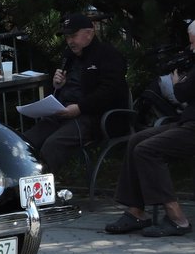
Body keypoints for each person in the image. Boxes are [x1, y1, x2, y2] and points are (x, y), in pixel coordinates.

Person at [105, 21, 195, 237]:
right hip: (187, 123)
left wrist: (177, 82)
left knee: (147, 149)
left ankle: (177, 217)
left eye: (193, 44)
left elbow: (183, 92)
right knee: (137, 140)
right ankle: (136, 211)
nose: (191, 49)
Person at [22, 13, 129, 173]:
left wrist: (80, 107)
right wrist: (57, 86)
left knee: (53, 145)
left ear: (89, 33)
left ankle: (40, 191)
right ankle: (17, 187)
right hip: (63, 113)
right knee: (25, 142)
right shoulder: (68, 57)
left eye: (74, 36)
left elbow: (110, 91)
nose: (70, 41)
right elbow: (63, 90)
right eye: (67, 37)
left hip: (93, 117)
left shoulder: (108, 55)